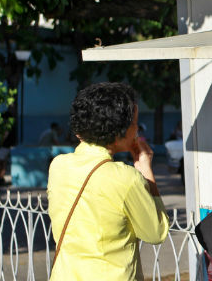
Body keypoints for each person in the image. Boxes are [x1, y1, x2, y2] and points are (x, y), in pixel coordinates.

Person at [47, 82, 169, 280]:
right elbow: (156, 232)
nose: (137, 130)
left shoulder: (58, 166)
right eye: (134, 123)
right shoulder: (126, 178)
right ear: (118, 131)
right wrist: (146, 169)